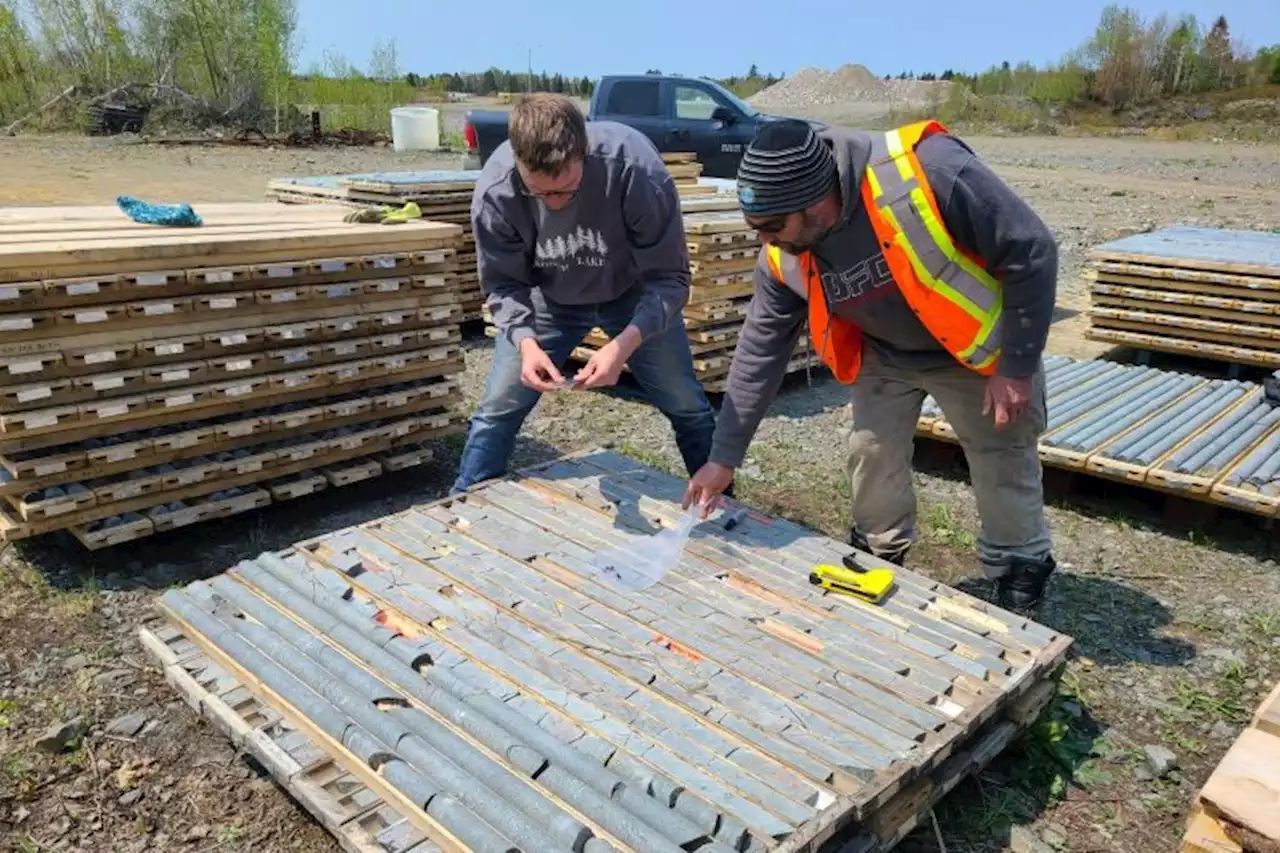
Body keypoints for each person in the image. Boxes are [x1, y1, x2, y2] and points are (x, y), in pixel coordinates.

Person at [682, 118, 1059, 612]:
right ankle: (880, 551)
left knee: (1001, 456)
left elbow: (1031, 248)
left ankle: (1019, 566)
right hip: (886, 352)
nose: (767, 242)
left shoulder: (929, 172)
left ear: (817, 203)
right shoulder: (783, 253)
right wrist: (723, 456)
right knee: (870, 452)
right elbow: (759, 352)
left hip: (974, 350)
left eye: (773, 227)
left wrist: (1017, 365)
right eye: (756, 229)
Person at [451, 93, 720, 494]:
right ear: (519, 162)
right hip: (551, 300)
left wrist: (625, 344)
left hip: (633, 294)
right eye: (540, 194)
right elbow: (503, 284)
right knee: (498, 408)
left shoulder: (636, 169)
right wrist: (525, 343)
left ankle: (725, 510)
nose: (555, 204)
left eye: (567, 189)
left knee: (688, 405)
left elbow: (670, 279)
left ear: (585, 152)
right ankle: (463, 506)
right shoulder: (496, 192)